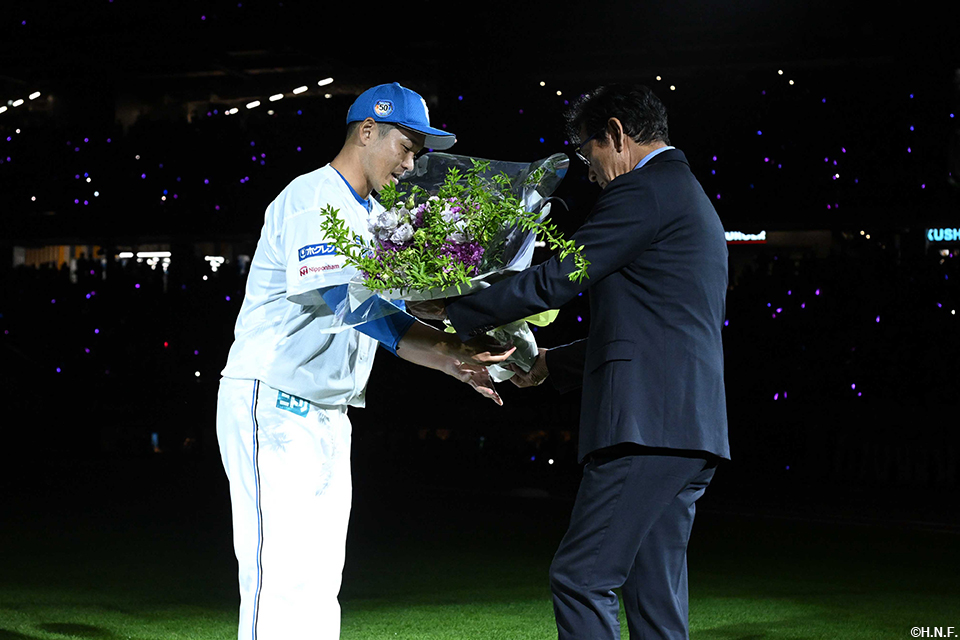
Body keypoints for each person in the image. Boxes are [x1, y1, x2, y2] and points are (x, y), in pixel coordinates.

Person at [409, 84, 730, 640]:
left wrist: (455, 306)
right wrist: (550, 367)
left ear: (616, 135)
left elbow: (558, 279)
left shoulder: (644, 190)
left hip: (644, 428)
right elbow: (655, 331)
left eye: (587, 153)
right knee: (654, 597)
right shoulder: (685, 194)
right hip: (685, 432)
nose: (588, 170)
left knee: (581, 579)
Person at [215, 82, 513, 640]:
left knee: (321, 580)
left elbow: (383, 312)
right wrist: (443, 330)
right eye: (406, 145)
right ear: (368, 130)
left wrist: (454, 356)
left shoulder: (376, 217)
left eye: (419, 153)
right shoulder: (313, 197)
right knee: (280, 579)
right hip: (274, 401)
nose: (411, 162)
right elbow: (349, 302)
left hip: (329, 412)